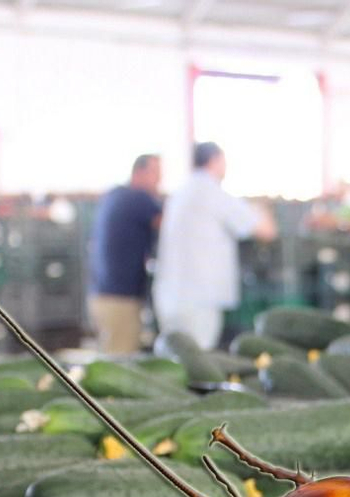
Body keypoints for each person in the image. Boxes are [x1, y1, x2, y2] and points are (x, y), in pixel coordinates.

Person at [153, 142, 276, 350]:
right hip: (198, 301)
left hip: (169, 296)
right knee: (198, 365)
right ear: (215, 160)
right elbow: (266, 231)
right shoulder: (213, 192)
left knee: (173, 361)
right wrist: (263, 206)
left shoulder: (180, 193)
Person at [87, 153, 162, 355]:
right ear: (139, 172)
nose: (160, 180)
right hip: (120, 300)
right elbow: (169, 224)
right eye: (155, 173)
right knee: (119, 364)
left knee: (109, 357)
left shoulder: (114, 195)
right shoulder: (139, 198)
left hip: (100, 296)